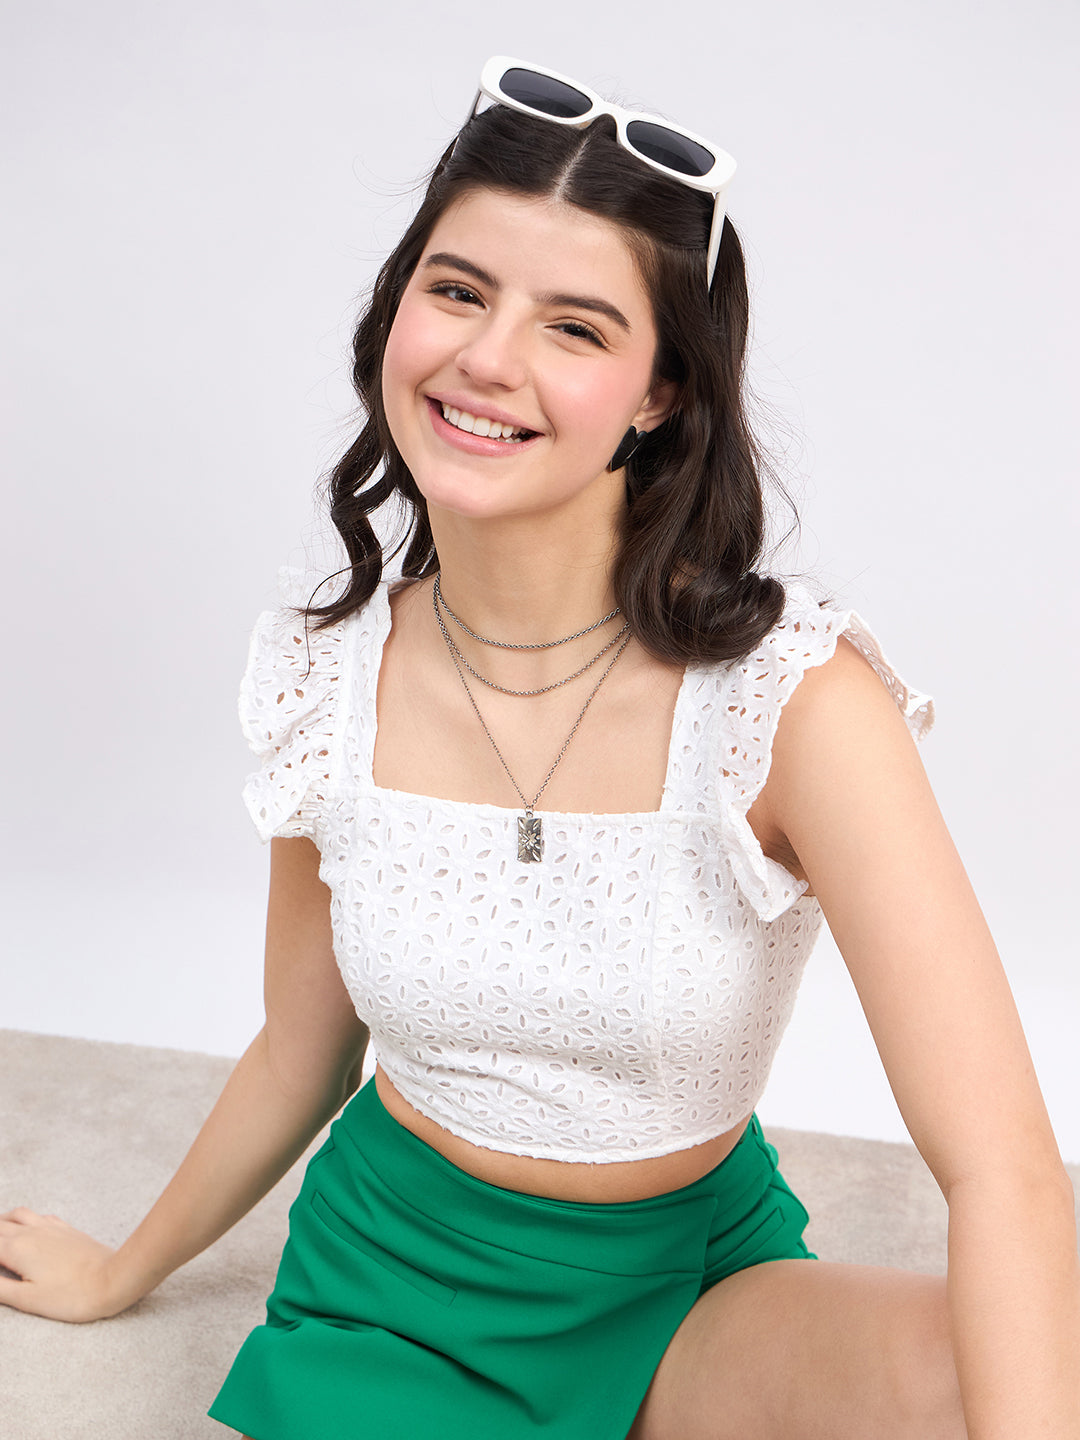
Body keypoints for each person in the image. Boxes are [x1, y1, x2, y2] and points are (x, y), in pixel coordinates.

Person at [1, 54, 1077, 1440]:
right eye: (458, 291)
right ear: (397, 310)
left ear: (660, 393)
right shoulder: (329, 680)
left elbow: (1002, 1171)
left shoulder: (793, 703)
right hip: (401, 1301)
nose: (489, 359)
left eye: (575, 327)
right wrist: (123, 1269)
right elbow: (300, 1048)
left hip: (694, 1286)